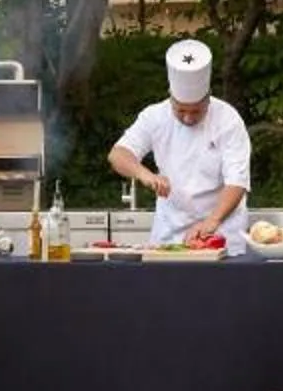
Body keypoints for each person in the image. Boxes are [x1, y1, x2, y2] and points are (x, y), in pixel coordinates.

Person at [108, 41, 252, 251]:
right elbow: (118, 154)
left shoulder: (228, 119)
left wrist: (212, 221)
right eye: (181, 110)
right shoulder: (154, 116)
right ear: (171, 97)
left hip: (222, 235)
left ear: (208, 98)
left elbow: (237, 181)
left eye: (196, 111)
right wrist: (146, 175)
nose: (187, 118)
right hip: (169, 233)